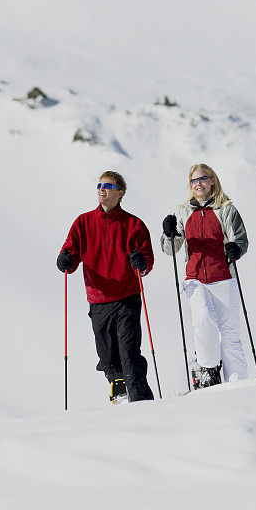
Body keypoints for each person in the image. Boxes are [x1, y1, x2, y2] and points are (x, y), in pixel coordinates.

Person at [57, 170, 155, 403]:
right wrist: (66, 260)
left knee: (129, 351)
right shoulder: (83, 222)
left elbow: (146, 258)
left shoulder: (134, 224)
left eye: (108, 186)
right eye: (99, 185)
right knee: (107, 356)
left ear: (120, 193)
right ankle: (119, 392)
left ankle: (141, 401)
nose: (101, 189)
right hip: (98, 299)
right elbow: (70, 251)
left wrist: (141, 262)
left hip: (127, 297)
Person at [161, 163, 249, 388]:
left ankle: (238, 383)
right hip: (195, 277)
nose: (198, 184)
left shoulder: (226, 209)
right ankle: (208, 369)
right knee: (202, 318)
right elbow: (171, 249)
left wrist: (235, 249)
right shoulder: (184, 212)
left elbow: (241, 239)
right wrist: (169, 233)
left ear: (212, 181)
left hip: (223, 276)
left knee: (230, 334)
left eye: (202, 179)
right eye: (194, 180)